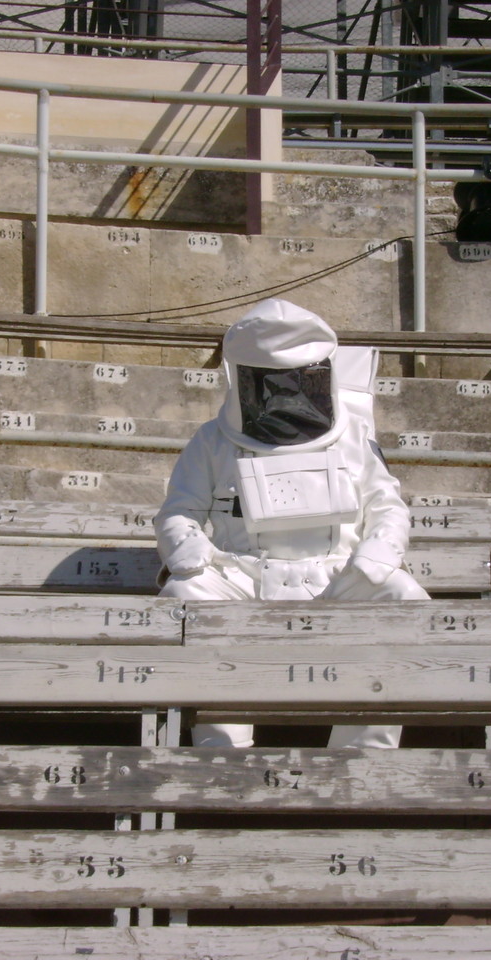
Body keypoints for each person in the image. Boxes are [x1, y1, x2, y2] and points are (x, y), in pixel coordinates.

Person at [154, 298, 430, 750]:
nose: (286, 395)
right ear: (244, 380)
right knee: (184, 596)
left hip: (339, 576)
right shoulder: (211, 441)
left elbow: (389, 508)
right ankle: (221, 755)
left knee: (404, 598)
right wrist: (190, 560)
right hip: (244, 577)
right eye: (272, 384)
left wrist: (375, 560)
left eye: (298, 382)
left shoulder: (355, 437)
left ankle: (362, 758)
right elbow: (178, 511)